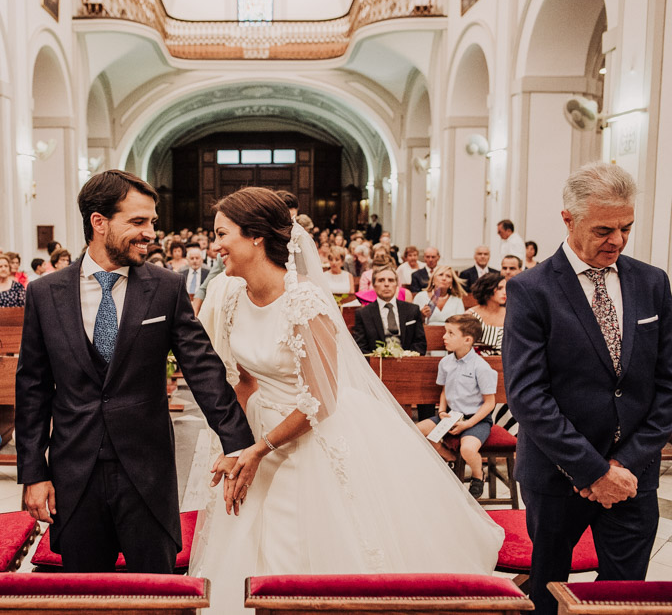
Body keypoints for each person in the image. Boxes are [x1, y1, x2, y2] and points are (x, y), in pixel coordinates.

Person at [189, 188, 502, 614]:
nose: (216, 244)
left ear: (256, 237)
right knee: (246, 543)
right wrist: (240, 446)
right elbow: (243, 381)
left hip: (310, 436)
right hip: (260, 433)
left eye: (222, 233)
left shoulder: (305, 302)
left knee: (301, 546)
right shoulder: (233, 297)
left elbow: (321, 401)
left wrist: (262, 448)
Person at [15, 170, 254, 575]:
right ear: (99, 221)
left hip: (147, 472)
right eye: (138, 221)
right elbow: (33, 388)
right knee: (84, 596)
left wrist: (239, 445)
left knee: (156, 591)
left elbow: (203, 369)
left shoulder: (165, 288)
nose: (150, 234)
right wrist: (34, 473)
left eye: (152, 223)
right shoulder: (45, 293)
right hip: (75, 473)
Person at [502, 162, 672, 615]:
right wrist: (592, 472)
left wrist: (623, 466)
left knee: (623, 597)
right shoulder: (531, 289)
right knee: (548, 592)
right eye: (605, 229)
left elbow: (669, 387)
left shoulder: (651, 282)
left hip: (633, 475)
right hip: (558, 475)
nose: (618, 240)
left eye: (627, 227)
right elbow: (528, 395)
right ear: (568, 218)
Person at [416, 314, 497, 498]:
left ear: (467, 340)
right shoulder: (445, 363)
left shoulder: (481, 367)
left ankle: (478, 476)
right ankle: (451, 459)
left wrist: (468, 424)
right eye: (446, 332)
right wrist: (442, 411)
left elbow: (490, 402)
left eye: (450, 333)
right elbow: (445, 391)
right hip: (450, 415)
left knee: (467, 449)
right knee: (419, 432)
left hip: (476, 419)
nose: (444, 337)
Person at [351, 265, 426, 355]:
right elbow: (361, 347)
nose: (386, 284)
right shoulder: (363, 314)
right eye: (381, 280)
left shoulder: (412, 310)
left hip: (407, 362)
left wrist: (407, 358)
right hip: (376, 364)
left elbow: (420, 343)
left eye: (391, 280)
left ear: (396, 285)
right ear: (374, 286)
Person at [467, 272, 506, 355]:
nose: (505, 292)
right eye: (499, 288)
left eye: (506, 288)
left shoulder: (509, 313)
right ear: (487, 289)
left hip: (504, 362)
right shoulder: (470, 315)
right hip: (477, 362)